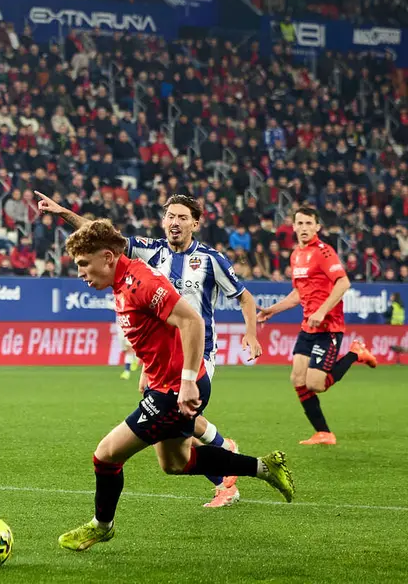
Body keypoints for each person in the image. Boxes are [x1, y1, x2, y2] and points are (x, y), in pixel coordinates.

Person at [56, 220, 294, 552]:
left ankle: (102, 526)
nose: (80, 272)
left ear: (108, 257)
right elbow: (157, 334)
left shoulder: (140, 281)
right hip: (162, 383)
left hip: (175, 389)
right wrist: (148, 370)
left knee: (105, 456)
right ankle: (264, 467)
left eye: (84, 264)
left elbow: (191, 321)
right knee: (175, 464)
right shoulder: (122, 280)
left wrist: (186, 383)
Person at [38, 192, 259, 507]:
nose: (175, 222)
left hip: (199, 351)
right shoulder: (151, 251)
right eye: (171, 216)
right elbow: (101, 240)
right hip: (162, 354)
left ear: (195, 223)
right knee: (174, 421)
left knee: (177, 411)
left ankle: (224, 465)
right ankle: (224, 452)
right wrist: (64, 213)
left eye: (183, 217)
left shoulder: (211, 259)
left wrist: (251, 333)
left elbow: (244, 297)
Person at [259, 207, 377, 445]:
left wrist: (322, 311)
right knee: (297, 379)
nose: (303, 228)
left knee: (316, 384)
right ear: (293, 227)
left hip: (328, 326)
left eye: (308, 223)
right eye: (299, 223)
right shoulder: (296, 255)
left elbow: (343, 283)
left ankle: (355, 352)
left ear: (317, 227)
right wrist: (273, 309)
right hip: (308, 326)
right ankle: (324, 433)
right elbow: (297, 293)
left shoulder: (324, 252)